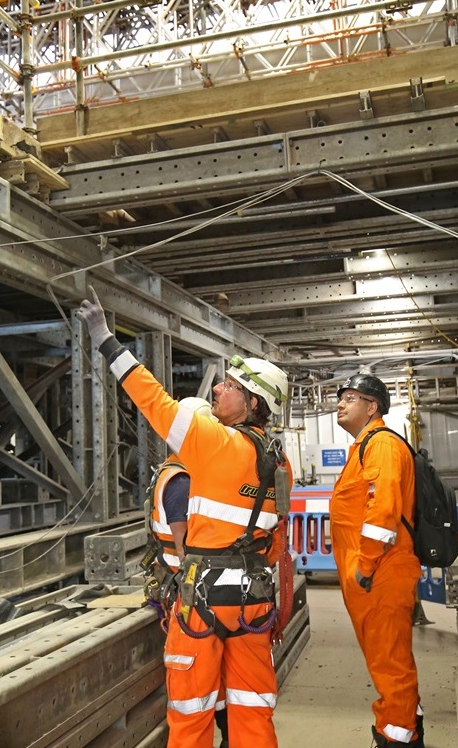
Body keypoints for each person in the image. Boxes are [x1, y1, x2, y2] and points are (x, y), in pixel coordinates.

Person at [77, 286, 291, 748]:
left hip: (204, 601)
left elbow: (152, 399)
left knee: (191, 714)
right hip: (254, 601)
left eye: (231, 386)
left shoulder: (217, 444)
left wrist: (106, 340)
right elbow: (277, 541)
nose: (217, 387)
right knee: (252, 711)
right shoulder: (278, 461)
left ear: (253, 404)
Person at [329, 374, 424, 748]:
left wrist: (365, 567)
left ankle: (396, 739)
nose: (340, 403)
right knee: (386, 661)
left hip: (381, 574)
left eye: (350, 398)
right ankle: (404, 724)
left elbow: (382, 511)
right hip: (371, 576)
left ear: (372, 407)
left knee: (390, 664)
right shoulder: (363, 446)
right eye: (340, 398)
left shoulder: (381, 445)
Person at [142, 396, 229, 748]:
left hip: (187, 591)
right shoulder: (181, 482)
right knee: (201, 686)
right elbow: (185, 547)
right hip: (190, 595)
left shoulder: (174, 472)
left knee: (214, 684)